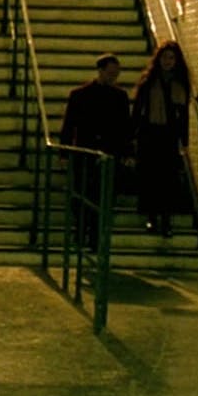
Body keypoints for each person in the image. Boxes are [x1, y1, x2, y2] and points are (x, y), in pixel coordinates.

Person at [58, 54, 132, 249]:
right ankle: (84, 232)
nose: (113, 77)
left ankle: (92, 235)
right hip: (86, 152)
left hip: (106, 153)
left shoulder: (118, 97)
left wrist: (127, 152)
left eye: (116, 74)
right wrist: (64, 152)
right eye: (110, 73)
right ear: (100, 71)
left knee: (100, 197)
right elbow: (69, 125)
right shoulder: (81, 95)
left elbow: (125, 128)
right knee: (84, 195)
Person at [131, 40, 193, 238]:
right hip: (150, 133)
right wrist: (132, 135)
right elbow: (138, 110)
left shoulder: (180, 84)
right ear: (158, 60)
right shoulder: (149, 82)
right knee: (150, 176)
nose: (168, 62)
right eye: (165, 57)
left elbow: (184, 116)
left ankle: (165, 220)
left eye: (171, 58)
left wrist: (184, 142)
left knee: (167, 179)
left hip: (169, 135)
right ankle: (151, 217)